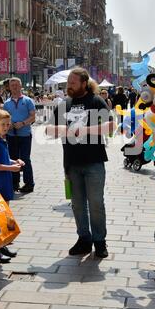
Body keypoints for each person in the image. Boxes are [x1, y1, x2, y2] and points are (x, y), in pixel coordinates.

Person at [46, 68, 115, 259]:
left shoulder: (95, 101)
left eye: (73, 83)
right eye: (68, 82)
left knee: (96, 204)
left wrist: (85, 130)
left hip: (94, 162)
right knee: (77, 205)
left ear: (84, 84)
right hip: (71, 163)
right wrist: (65, 129)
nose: (69, 86)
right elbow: (49, 130)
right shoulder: (65, 104)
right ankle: (84, 239)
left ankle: (100, 241)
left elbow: (111, 126)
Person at [0, 109, 24, 263]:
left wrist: (15, 161)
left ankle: (1, 246)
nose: (6, 127)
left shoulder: (2, 138)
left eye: (8, 124)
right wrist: (11, 168)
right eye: (3, 124)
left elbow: (3, 158)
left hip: (4, 183)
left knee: (4, 217)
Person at [3, 78, 36, 193]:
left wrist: (22, 123)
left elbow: (33, 117)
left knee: (25, 158)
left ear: (21, 86)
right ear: (9, 87)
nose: (15, 87)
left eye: (17, 85)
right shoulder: (6, 103)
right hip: (11, 135)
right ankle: (14, 183)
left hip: (25, 134)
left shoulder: (28, 101)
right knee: (13, 158)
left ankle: (29, 183)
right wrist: (9, 125)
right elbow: (4, 118)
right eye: (12, 85)